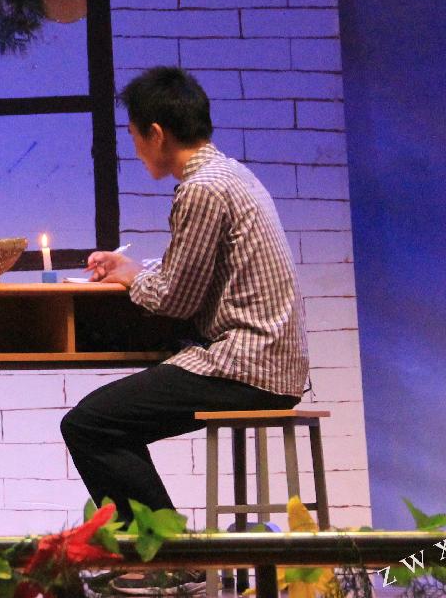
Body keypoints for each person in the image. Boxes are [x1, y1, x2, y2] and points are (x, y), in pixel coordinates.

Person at [61, 67, 309, 589]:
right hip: (271, 362)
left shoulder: (201, 190)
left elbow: (176, 299)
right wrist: (134, 270)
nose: (135, 150)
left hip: (247, 364)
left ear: (156, 133)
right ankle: (166, 554)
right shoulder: (231, 174)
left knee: (90, 424)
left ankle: (170, 557)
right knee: (102, 420)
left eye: (134, 136)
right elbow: (194, 273)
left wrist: (131, 278)